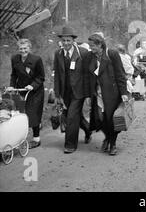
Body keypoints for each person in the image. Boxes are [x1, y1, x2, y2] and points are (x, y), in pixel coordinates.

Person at [87, 32, 128, 156]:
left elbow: (120, 74)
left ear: (100, 45)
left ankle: (112, 143)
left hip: (111, 93)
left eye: (92, 46)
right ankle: (107, 137)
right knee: (100, 119)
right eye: (89, 46)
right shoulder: (90, 56)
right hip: (98, 94)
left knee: (111, 120)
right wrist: (89, 94)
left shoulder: (112, 54)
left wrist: (123, 93)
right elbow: (88, 76)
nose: (91, 48)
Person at [53, 26, 91, 154]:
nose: (66, 43)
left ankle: (70, 144)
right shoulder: (58, 54)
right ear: (61, 41)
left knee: (71, 117)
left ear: (73, 40)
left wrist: (88, 94)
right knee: (76, 117)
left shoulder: (83, 53)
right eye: (64, 41)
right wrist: (57, 94)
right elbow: (57, 75)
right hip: (65, 92)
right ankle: (87, 129)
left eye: (68, 40)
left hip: (79, 92)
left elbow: (87, 75)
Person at [7, 39, 45, 149]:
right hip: (21, 89)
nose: (23, 50)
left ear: (29, 48)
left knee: (32, 112)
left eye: (25, 48)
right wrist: (12, 86)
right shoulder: (15, 59)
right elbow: (14, 75)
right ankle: (20, 136)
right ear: (18, 49)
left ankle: (36, 139)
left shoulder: (36, 59)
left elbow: (41, 77)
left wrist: (32, 85)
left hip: (35, 90)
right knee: (20, 113)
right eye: (21, 49)